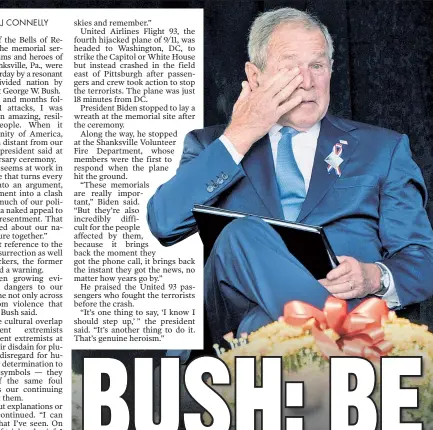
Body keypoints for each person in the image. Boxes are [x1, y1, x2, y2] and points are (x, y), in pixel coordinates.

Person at [147, 7, 433, 346]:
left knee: (261, 325)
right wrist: (241, 135)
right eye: (290, 68)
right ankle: (336, 345)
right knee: (241, 233)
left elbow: (423, 261)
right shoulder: (211, 147)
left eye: (317, 65)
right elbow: (164, 222)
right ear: (255, 78)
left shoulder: (382, 149)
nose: (307, 82)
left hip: (273, 330)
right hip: (251, 324)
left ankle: (316, 342)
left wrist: (375, 278)